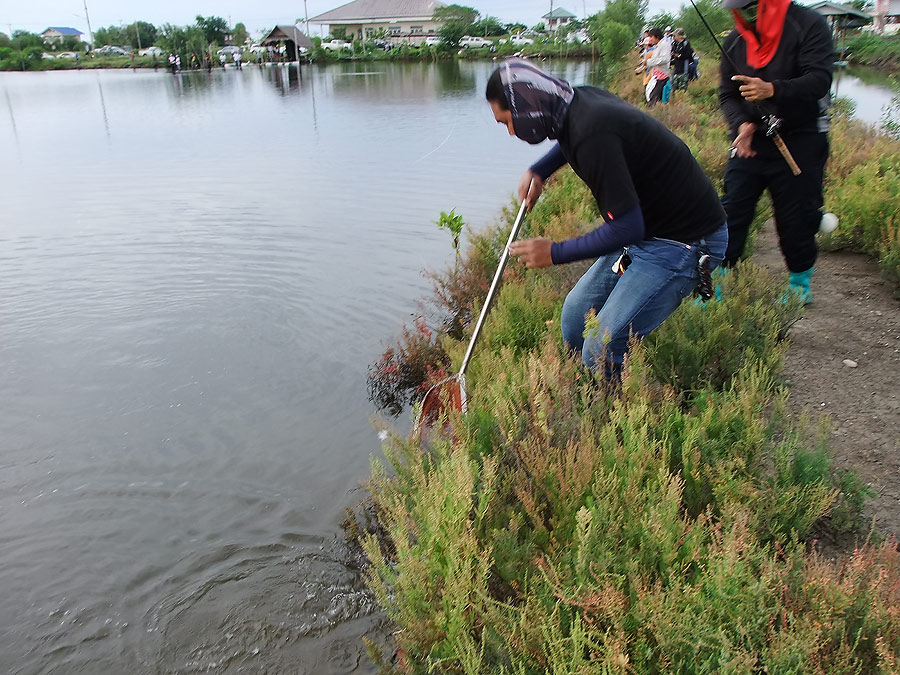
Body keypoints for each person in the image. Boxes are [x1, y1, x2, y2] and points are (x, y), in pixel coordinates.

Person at [485, 59, 728, 377]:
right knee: (574, 317)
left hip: (686, 240)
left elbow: (627, 227)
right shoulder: (576, 101)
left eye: (507, 122)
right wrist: (540, 170)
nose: (510, 131)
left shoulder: (591, 134)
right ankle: (584, 389)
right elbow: (569, 138)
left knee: (601, 346)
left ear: (527, 108)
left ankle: (608, 416)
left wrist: (554, 252)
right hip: (649, 228)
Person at [719, 0, 833, 302]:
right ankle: (716, 280)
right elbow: (727, 94)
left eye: (753, 6)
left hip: (802, 137)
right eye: (741, 8)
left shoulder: (808, 24)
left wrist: (773, 89)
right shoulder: (735, 41)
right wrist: (741, 123)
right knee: (730, 210)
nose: (747, 13)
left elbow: (820, 79)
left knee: (796, 217)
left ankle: (799, 284)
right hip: (752, 140)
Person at [643, 27, 671, 106]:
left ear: (657, 37)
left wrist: (649, 62)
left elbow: (665, 59)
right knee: (652, 99)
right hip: (656, 77)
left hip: (662, 78)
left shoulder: (664, 45)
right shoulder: (658, 46)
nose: (650, 40)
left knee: (654, 100)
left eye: (651, 37)